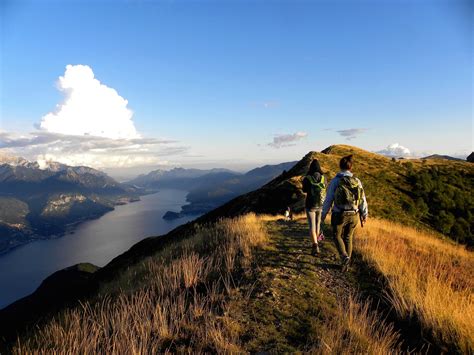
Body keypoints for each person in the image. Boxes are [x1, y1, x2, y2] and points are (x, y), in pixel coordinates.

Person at [322, 155, 368, 271]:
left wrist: (322, 215)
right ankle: (347, 262)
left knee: (336, 236)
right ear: (351, 167)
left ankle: (344, 257)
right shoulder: (357, 181)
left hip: (339, 214)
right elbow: (362, 199)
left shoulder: (335, 181)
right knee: (348, 237)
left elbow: (328, 200)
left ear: (340, 166)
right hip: (354, 214)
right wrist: (364, 214)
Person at [302, 159, 326, 256]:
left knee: (312, 226)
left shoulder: (307, 178)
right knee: (318, 225)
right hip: (321, 205)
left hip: (310, 205)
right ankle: (317, 242)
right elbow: (325, 188)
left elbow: (304, 190)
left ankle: (315, 245)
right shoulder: (324, 178)